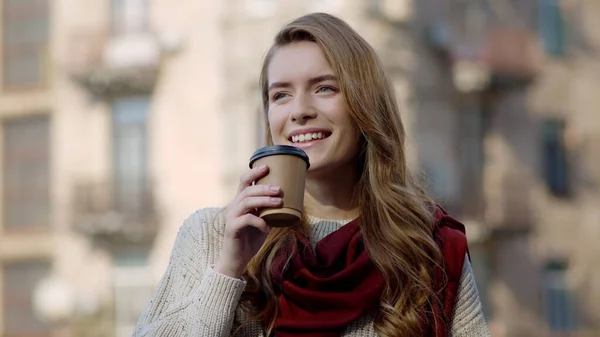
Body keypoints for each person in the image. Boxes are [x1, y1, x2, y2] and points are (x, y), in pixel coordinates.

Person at [132, 12, 490, 337]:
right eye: (281, 95)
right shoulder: (213, 236)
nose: (299, 111)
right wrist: (227, 272)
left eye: (324, 88)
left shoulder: (427, 247)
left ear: (365, 105)